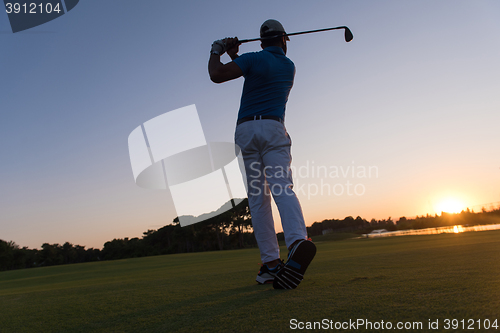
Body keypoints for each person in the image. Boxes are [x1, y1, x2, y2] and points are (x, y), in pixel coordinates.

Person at [208, 19, 316, 289]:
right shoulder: (288, 66)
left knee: (258, 199)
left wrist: (217, 50)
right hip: (273, 127)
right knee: (282, 188)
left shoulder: (253, 60)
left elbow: (217, 74)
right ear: (283, 40)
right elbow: (257, 68)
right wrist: (237, 56)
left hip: (245, 132)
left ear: (260, 42)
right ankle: (296, 242)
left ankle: (270, 264)